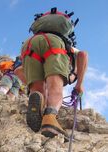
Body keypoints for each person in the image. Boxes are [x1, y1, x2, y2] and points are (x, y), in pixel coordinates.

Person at [21, 9, 88, 138]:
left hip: (28, 45)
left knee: (39, 90)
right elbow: (83, 54)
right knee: (55, 87)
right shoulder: (69, 47)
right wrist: (79, 84)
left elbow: (18, 71)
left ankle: (37, 101)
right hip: (53, 43)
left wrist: (30, 82)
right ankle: (50, 118)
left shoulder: (38, 33)